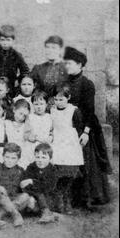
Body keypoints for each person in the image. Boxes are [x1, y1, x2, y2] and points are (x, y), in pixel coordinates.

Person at [62, 46, 112, 208]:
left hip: (85, 126)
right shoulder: (63, 83)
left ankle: (89, 197)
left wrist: (86, 132)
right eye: (66, 63)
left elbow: (90, 109)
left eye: (70, 63)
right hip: (68, 125)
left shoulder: (87, 84)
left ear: (80, 66)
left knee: (87, 159)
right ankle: (71, 197)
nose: (67, 66)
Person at [50, 84, 84, 214]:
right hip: (57, 144)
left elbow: (79, 127)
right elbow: (51, 126)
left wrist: (80, 141)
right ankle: (59, 201)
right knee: (59, 174)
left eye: (61, 99)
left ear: (68, 97)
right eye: (56, 99)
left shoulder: (74, 110)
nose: (58, 102)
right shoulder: (52, 110)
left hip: (70, 144)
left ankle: (67, 201)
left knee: (70, 174)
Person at [21, 143, 59, 224]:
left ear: (50, 158)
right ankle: (47, 214)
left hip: (48, 198)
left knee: (40, 192)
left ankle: (46, 212)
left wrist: (32, 182)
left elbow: (48, 187)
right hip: (34, 198)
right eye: (37, 157)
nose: (40, 160)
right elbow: (24, 184)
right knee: (29, 201)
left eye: (44, 157)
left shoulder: (52, 170)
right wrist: (32, 196)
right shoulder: (31, 167)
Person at [0, 143, 26, 227]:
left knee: (26, 196)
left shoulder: (21, 171)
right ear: (3, 156)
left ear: (18, 159)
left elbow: (22, 189)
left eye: (13, 158)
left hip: (14, 200)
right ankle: (15, 215)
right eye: (7, 157)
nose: (10, 160)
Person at [0, 25, 29, 97]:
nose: (5, 43)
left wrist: (18, 81)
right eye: (2, 40)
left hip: (10, 89)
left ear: (13, 41)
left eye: (8, 40)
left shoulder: (17, 55)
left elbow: (25, 71)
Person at [5, 99, 31, 169]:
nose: (21, 117)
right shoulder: (7, 123)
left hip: (22, 155)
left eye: (24, 115)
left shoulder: (26, 127)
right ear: (14, 110)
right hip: (9, 154)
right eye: (20, 113)